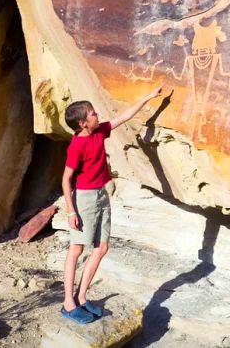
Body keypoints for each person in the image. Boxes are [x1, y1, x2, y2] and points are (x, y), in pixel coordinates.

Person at [60, 83, 164, 324]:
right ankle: (68, 303)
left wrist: (149, 97)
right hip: (84, 198)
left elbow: (125, 116)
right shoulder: (77, 145)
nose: (98, 114)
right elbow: (66, 179)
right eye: (92, 113)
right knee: (76, 250)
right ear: (82, 124)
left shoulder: (99, 132)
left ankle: (82, 298)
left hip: (100, 195)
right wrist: (70, 210)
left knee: (102, 247)